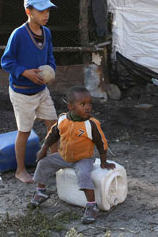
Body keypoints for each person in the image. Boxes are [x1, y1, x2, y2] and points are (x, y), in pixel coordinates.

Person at [28, 86, 116, 224]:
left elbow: (102, 143)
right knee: (43, 163)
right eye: (82, 104)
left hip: (83, 159)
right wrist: (44, 149)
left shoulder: (91, 124)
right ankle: (41, 191)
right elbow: (52, 134)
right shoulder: (63, 119)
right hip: (63, 156)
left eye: (89, 103)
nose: (87, 107)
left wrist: (103, 162)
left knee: (83, 175)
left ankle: (92, 206)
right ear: (71, 106)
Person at [1, 0, 58, 184]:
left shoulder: (47, 33)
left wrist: (51, 71)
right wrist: (26, 72)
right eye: (42, 11)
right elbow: (6, 62)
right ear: (29, 11)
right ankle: (20, 170)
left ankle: (55, 162)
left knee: (54, 125)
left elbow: (50, 57)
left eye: (48, 10)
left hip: (41, 91)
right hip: (22, 92)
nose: (46, 14)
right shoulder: (18, 35)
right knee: (24, 131)